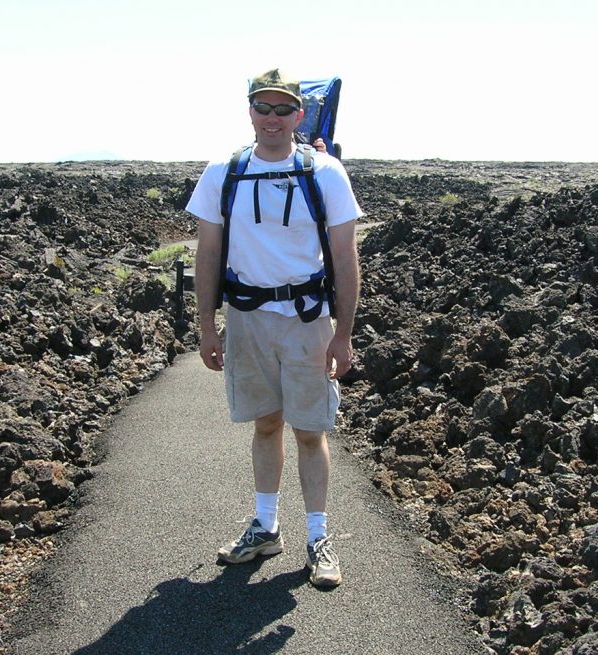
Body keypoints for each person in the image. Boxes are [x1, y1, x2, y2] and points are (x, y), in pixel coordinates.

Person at [185, 68, 363, 588]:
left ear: (299, 115)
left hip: (308, 320)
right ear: (250, 111)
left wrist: (344, 332)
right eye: (263, 107)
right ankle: (265, 527)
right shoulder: (223, 172)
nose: (272, 118)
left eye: (283, 109)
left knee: (310, 430)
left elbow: (345, 258)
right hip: (247, 319)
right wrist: (207, 325)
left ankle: (317, 536)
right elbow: (210, 252)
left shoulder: (325, 172)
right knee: (265, 423)